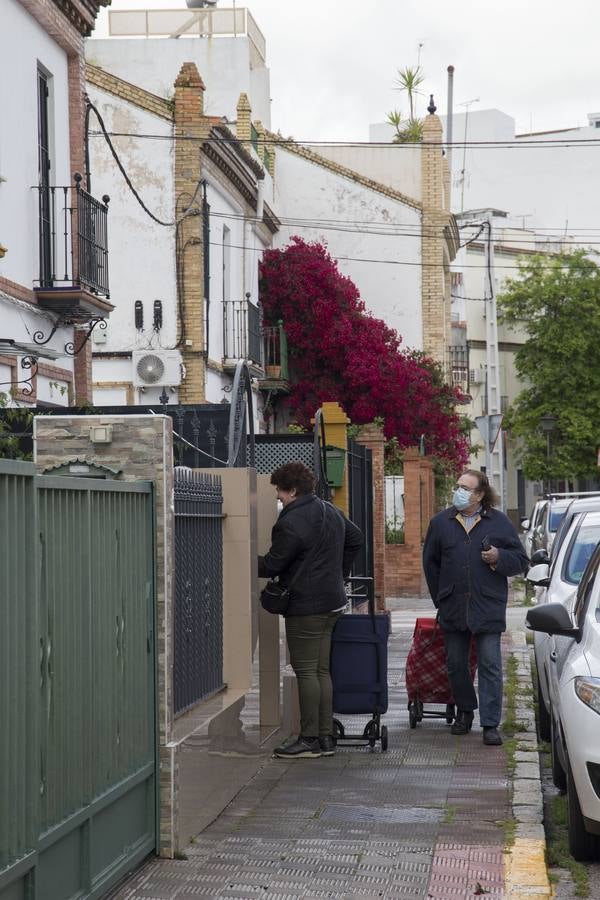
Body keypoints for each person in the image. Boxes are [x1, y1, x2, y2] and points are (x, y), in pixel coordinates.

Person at [258, 461, 363, 759]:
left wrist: (237, 554)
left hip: (306, 605)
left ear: (292, 489)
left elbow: (273, 564)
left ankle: (309, 739)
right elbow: (355, 540)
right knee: (320, 670)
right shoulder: (330, 511)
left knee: (306, 670)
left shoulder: (290, 522)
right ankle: (326, 737)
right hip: (333, 601)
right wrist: (338, 573)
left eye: (280, 493)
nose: (279, 499)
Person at [422, 469, 528, 746]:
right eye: (458, 485)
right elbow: (430, 563)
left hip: (487, 605)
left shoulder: (499, 522)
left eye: (465, 487)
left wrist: (498, 557)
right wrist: (440, 597)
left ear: (480, 494)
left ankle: (490, 724)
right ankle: (465, 711)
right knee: (456, 664)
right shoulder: (441, 522)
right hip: (453, 605)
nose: (458, 491)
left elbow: (520, 559)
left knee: (490, 664)